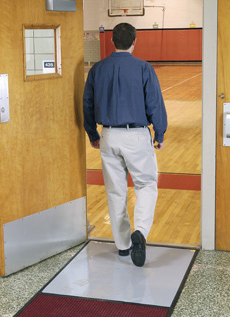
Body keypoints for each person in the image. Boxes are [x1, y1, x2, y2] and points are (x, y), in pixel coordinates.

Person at [83, 22, 167, 267]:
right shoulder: (143, 68)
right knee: (146, 185)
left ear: (112, 41)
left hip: (108, 135)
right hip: (137, 135)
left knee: (115, 191)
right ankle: (140, 232)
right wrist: (159, 133)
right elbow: (155, 103)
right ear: (135, 41)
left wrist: (92, 134)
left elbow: (87, 104)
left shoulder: (97, 69)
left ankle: (122, 246)